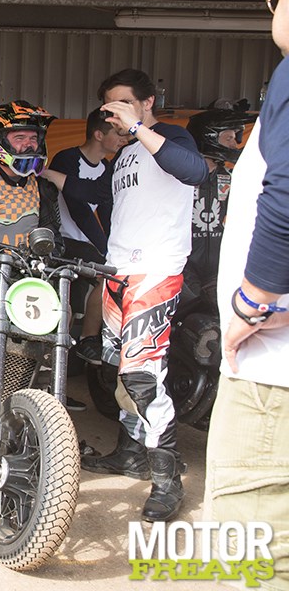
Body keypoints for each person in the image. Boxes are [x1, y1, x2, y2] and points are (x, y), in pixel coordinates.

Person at [42, 69, 208, 522]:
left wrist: (137, 126)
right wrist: (46, 173)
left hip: (155, 272)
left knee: (142, 378)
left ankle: (167, 479)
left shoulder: (171, 137)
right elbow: (92, 192)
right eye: (108, 106)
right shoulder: (126, 155)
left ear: (148, 101)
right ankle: (130, 454)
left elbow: (195, 172)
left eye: (122, 103)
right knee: (119, 373)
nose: (113, 112)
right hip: (118, 272)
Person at [205, 0, 289, 591]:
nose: (273, 8)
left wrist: (253, 302)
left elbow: (285, 198)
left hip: (271, 372)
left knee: (254, 560)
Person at [0, 100, 74, 407]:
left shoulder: (43, 187)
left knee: (60, 312)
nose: (28, 144)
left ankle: (45, 392)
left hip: (30, 277)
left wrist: (53, 259)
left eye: (33, 137)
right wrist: (6, 260)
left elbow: (54, 235)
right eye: (19, 137)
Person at [49, 108, 126, 366]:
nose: (123, 138)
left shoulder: (106, 167)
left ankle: (87, 341)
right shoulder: (67, 159)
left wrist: (113, 246)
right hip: (61, 241)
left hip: (86, 245)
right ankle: (85, 341)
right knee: (106, 275)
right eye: (117, 133)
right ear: (98, 134)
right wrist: (105, 250)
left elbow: (106, 212)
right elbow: (78, 209)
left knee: (111, 275)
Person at [183, 107, 255, 302]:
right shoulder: (178, 176)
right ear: (209, 138)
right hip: (183, 268)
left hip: (220, 268)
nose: (234, 144)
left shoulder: (233, 178)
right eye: (228, 138)